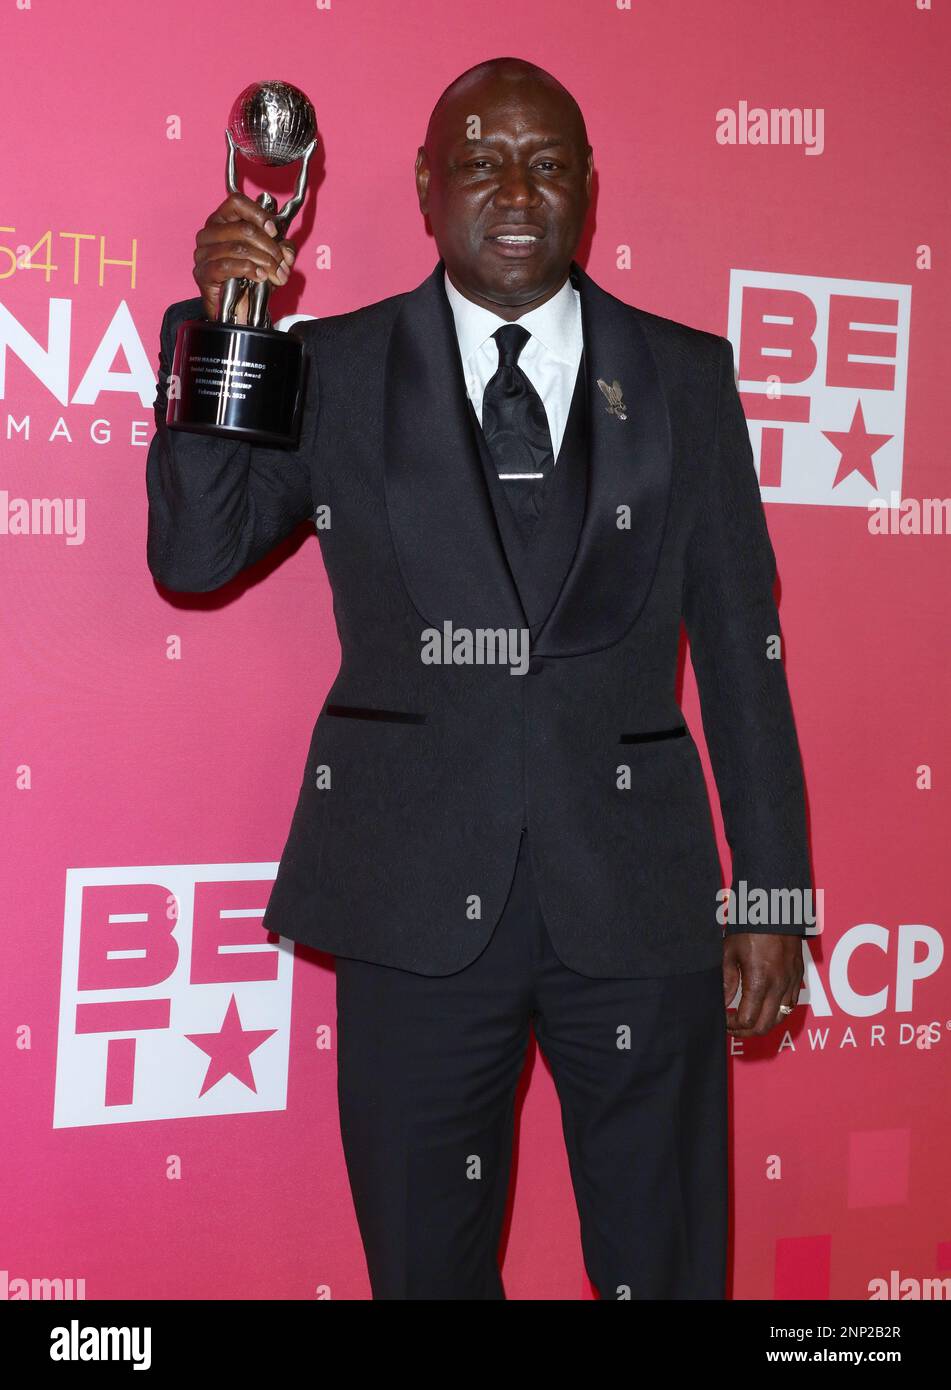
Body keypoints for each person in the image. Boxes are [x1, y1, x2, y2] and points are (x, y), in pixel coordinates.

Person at [146, 56, 811, 1300]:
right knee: (425, 1269)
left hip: (640, 903)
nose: (516, 189)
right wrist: (229, 324)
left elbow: (740, 644)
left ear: (589, 187)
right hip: (410, 900)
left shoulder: (685, 377)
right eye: (482, 160)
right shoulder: (331, 365)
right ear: (424, 184)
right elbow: (196, 553)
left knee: (665, 1265)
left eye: (548, 163)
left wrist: (772, 889)